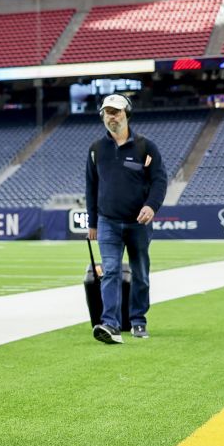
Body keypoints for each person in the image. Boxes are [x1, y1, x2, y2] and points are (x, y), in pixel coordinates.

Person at [86, 94, 166, 344]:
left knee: (140, 273)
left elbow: (159, 180)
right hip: (108, 221)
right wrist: (92, 222)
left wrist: (152, 206)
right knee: (109, 270)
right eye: (107, 112)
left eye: (116, 112)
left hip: (138, 223)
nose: (112, 116)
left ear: (126, 114)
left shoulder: (146, 147)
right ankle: (110, 324)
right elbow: (91, 186)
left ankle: (138, 320)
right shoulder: (96, 150)